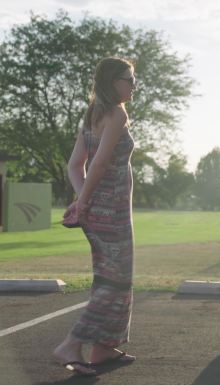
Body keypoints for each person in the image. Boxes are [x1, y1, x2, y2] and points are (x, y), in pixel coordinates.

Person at [53, 57, 138, 376]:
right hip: (110, 212)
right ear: (112, 81)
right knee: (115, 281)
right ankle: (72, 344)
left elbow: (75, 166)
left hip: (99, 211)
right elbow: (98, 164)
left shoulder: (92, 115)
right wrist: (84, 202)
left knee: (112, 278)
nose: (134, 86)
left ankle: (102, 347)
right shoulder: (116, 114)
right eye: (129, 80)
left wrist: (80, 201)